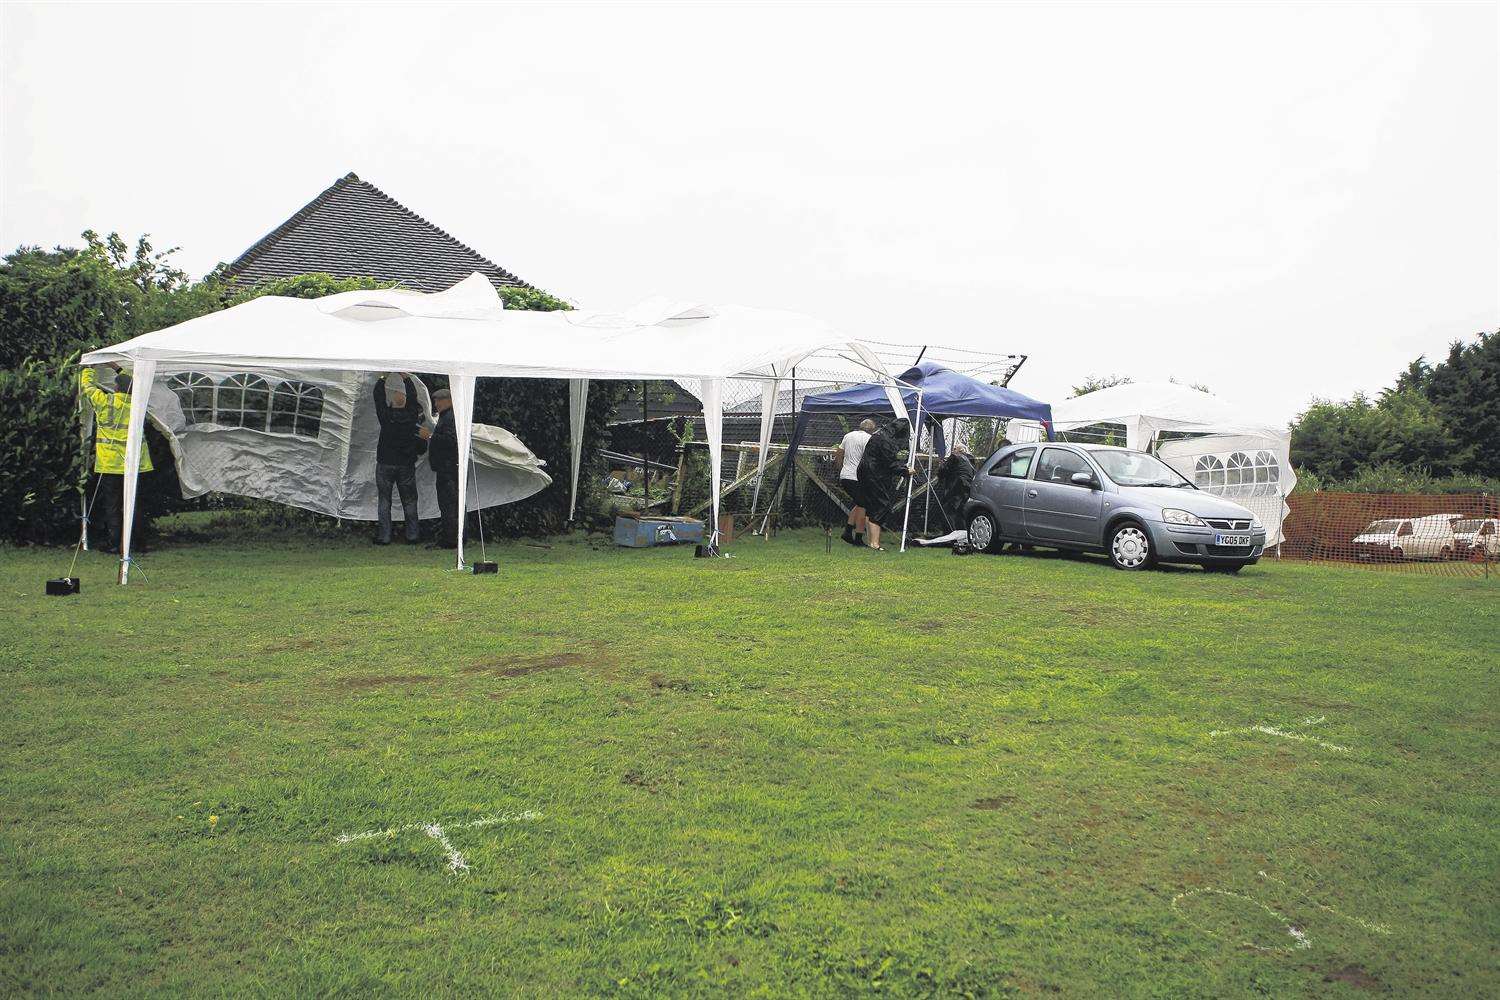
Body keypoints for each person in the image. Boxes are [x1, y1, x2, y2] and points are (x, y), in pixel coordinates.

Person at [80, 364, 153, 554]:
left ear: (116, 388)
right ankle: (138, 543)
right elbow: (135, 382)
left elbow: (87, 386)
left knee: (112, 505)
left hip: (110, 463)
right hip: (136, 463)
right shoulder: (139, 405)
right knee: (135, 504)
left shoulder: (106, 402)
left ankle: (114, 544)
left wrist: (88, 367)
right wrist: (118, 368)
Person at [372, 373, 428, 545]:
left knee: (384, 500)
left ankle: (385, 536)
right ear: (405, 402)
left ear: (392, 402)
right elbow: (413, 397)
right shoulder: (411, 416)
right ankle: (412, 536)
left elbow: (378, 397)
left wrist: (383, 378)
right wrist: (406, 378)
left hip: (385, 463)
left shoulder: (386, 417)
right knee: (410, 500)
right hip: (405, 464)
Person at [856, 417, 911, 551]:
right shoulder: (886, 440)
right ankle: (875, 544)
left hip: (865, 472)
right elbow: (889, 463)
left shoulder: (879, 435)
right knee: (881, 506)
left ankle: (871, 542)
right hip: (874, 475)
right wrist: (905, 470)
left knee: (871, 506)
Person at [427, 387, 462, 548]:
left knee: (448, 504)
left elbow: (450, 441)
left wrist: (430, 436)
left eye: (439, 400)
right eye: (435, 400)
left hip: (448, 468)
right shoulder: (448, 416)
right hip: (450, 467)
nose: (436, 403)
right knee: (454, 504)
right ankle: (458, 537)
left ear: (448, 401)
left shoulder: (449, 418)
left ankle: (450, 540)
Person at [834, 418, 876, 545]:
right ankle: (858, 537)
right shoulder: (870, 439)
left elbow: (839, 453)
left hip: (845, 475)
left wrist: (840, 469)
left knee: (859, 504)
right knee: (864, 506)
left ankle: (847, 532)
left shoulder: (848, 435)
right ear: (872, 430)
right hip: (858, 477)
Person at [935, 443, 977, 532]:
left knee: (948, 510)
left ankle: (949, 535)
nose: (953, 450)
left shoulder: (955, 456)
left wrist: (941, 465)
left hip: (957, 486)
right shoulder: (970, 460)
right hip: (969, 487)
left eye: (954, 448)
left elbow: (942, 471)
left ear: (959, 450)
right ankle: (962, 534)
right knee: (961, 512)